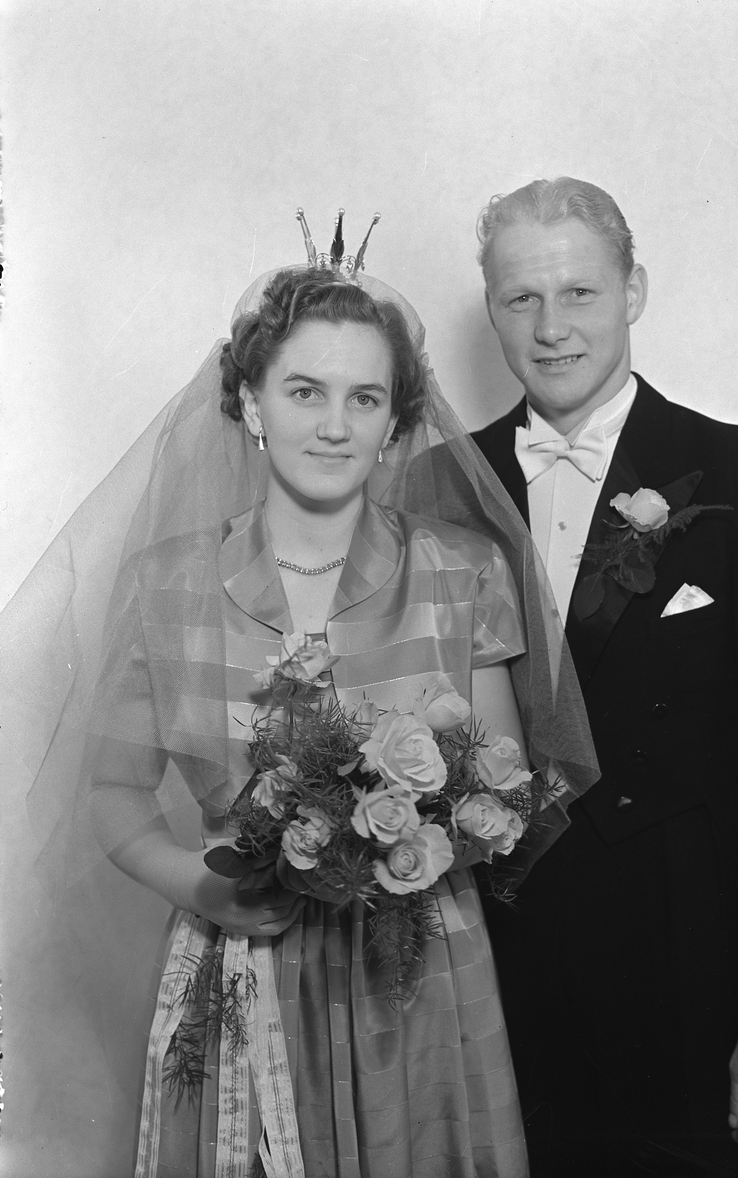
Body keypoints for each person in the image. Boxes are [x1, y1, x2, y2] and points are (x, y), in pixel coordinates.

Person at [1, 219, 597, 1177]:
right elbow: (113, 790)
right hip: (240, 968)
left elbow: (507, 783)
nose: (334, 425)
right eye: (305, 391)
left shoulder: (462, 572)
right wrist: (201, 885)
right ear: (251, 401)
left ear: (396, 421)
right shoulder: (167, 583)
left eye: (365, 398)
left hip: (417, 975)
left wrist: (398, 833)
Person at [471, 178, 738, 1178]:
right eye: (521, 298)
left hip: (692, 984)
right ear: (491, 309)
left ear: (633, 290)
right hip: (496, 987)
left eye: (580, 292)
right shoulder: (443, 487)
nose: (551, 327)